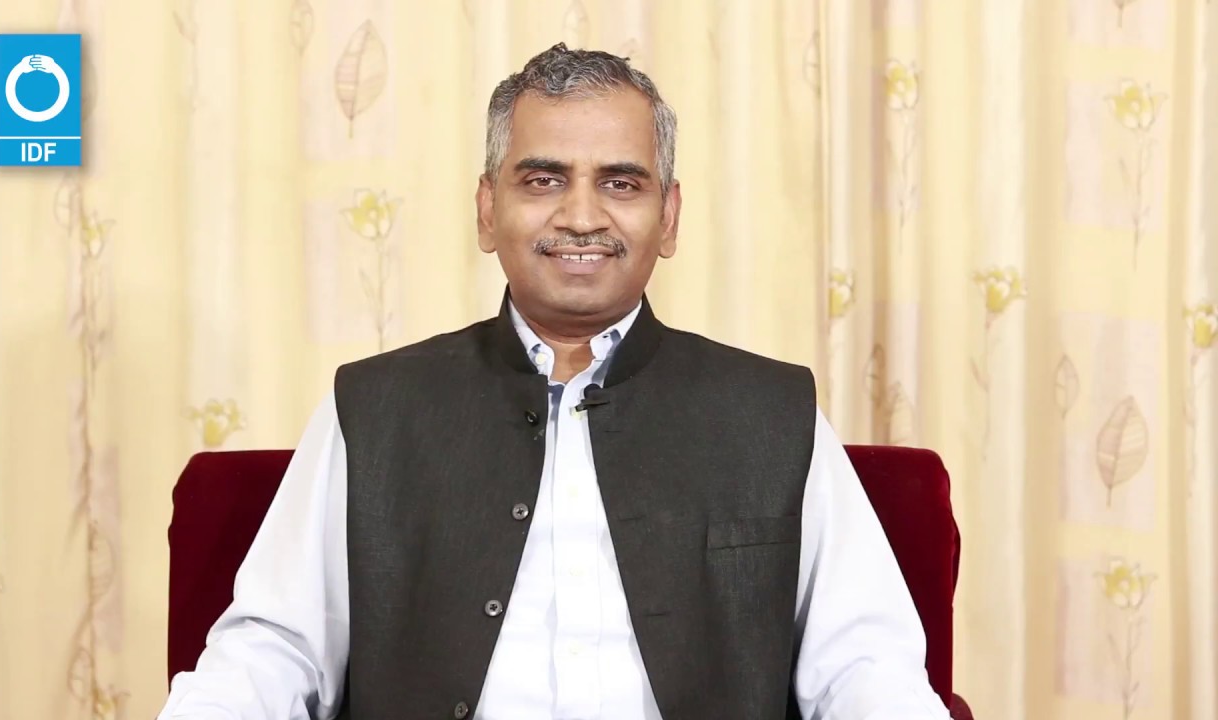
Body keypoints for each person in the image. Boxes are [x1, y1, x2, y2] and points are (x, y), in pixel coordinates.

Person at [158, 43, 952, 720]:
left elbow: (866, 669)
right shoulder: (373, 410)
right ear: (487, 209)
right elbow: (272, 651)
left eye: (621, 182)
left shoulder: (772, 414)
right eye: (542, 180)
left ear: (669, 217)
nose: (580, 216)